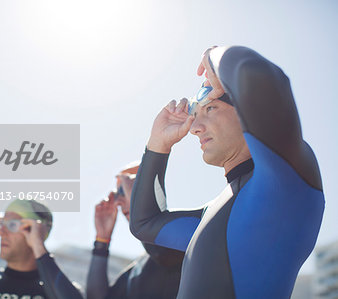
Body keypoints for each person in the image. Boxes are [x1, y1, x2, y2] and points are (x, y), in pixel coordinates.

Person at [129, 46, 325, 298]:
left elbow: (254, 74)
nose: (195, 128)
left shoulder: (283, 181)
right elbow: (144, 223)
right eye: (195, 115)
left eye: (210, 109)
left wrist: (215, 55)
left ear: (246, 113)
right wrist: (158, 144)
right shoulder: (213, 213)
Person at [86, 163, 185, 299]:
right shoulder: (140, 265)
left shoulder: (183, 237)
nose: (118, 202)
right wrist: (102, 240)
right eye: (116, 195)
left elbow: (163, 254)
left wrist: (141, 208)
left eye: (124, 191)